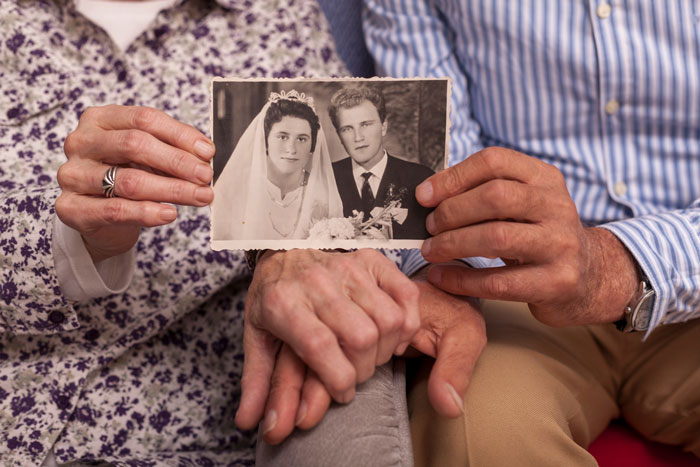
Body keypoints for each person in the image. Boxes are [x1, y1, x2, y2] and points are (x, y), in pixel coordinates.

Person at [1, 0, 442, 465]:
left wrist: (287, 249)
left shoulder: (276, 13)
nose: (292, 149)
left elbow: (360, 221)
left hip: (209, 432)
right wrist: (73, 240)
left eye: (301, 141)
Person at [359, 0, 700, 465]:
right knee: (471, 433)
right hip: (514, 287)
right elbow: (438, 151)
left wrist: (615, 265)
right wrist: (446, 266)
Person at [211, 90, 343, 240]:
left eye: (302, 139)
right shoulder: (234, 188)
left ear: (312, 146)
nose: (291, 149)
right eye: (282, 137)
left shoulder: (323, 193)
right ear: (265, 140)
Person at [328, 86, 435, 239]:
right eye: (347, 129)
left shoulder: (421, 178)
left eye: (366, 124)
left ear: (383, 127)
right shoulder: (325, 179)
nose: (358, 137)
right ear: (339, 136)